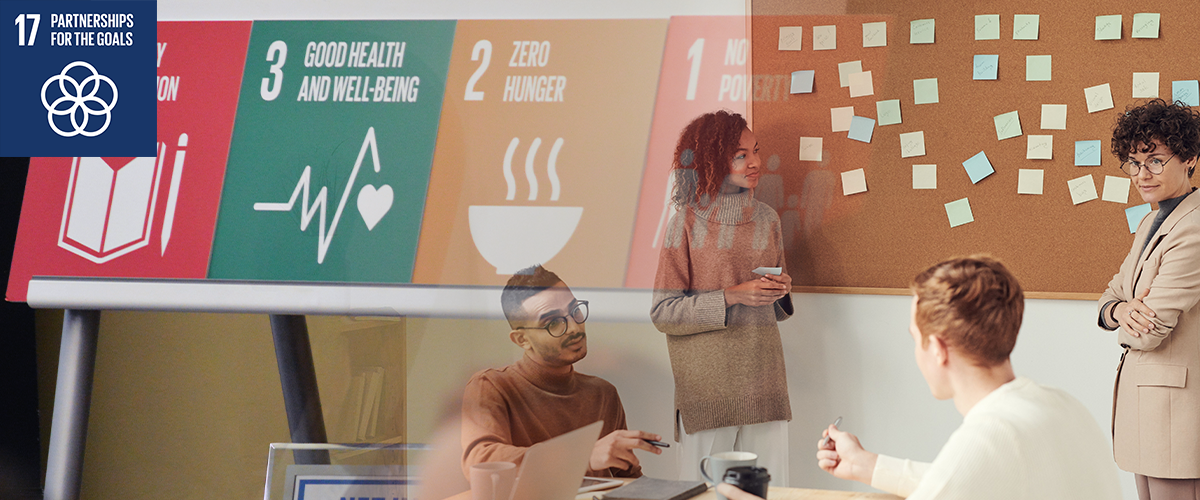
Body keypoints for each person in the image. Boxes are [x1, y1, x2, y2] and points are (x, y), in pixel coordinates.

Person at [816, 256, 1122, 499]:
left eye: (915, 337)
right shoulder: (1059, 404)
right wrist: (866, 465)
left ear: (937, 348)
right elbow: (962, 480)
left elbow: (963, 475)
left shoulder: (991, 435)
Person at [651, 110, 794, 485]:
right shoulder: (685, 221)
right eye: (740, 155)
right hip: (707, 392)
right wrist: (731, 296)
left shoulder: (767, 219)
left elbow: (771, 310)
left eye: (756, 151)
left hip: (765, 384)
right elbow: (664, 313)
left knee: (772, 493)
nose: (756, 163)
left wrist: (778, 292)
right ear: (710, 161)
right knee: (702, 493)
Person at [461, 265, 661, 478]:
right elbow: (480, 460)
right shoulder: (491, 386)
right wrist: (582, 456)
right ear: (522, 340)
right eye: (554, 322)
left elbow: (628, 480)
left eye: (575, 311)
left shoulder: (603, 393)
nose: (575, 328)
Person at [1097, 98, 1200, 500]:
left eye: (1155, 160)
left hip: (1175, 414)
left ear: (1189, 158)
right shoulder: (1150, 221)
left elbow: (1151, 331)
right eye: (1135, 163)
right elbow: (1111, 295)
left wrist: (1122, 319)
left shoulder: (1193, 228)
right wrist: (1120, 310)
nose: (1143, 174)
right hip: (1146, 410)